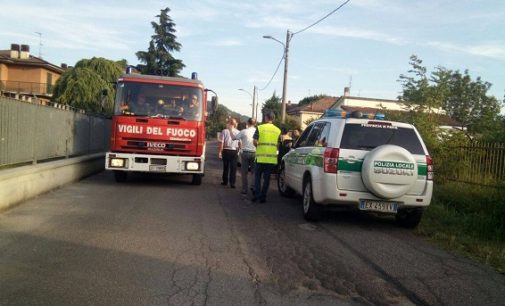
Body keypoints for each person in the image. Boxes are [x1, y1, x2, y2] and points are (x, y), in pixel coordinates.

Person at [253, 111, 281, 203]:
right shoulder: (278, 130)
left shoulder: (260, 128)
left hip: (260, 158)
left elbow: (254, 141)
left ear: (266, 118)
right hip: (271, 159)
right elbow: (278, 144)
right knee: (267, 179)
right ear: (273, 119)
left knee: (257, 177)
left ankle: (256, 194)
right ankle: (263, 197)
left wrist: (259, 146)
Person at [231, 118, 257, 195]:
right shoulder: (257, 131)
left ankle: (245, 189)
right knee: (254, 172)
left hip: (245, 153)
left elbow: (234, 138)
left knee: (244, 172)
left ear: (247, 123)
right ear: (255, 124)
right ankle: (253, 186)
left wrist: (230, 130)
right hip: (255, 152)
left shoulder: (244, 131)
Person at [218, 118, 240, 188]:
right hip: (234, 151)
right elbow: (240, 143)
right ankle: (232, 183)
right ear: (234, 124)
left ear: (229, 123)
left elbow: (222, 143)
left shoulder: (224, 131)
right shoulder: (238, 132)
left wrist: (220, 152)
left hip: (226, 150)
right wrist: (238, 151)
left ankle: (225, 181)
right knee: (233, 168)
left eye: (227, 123)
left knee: (226, 167)